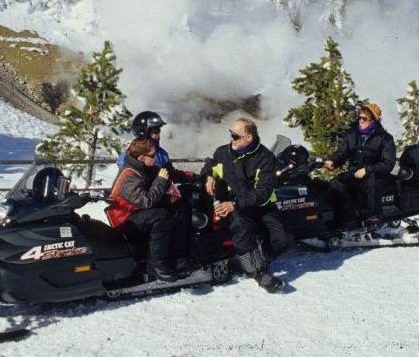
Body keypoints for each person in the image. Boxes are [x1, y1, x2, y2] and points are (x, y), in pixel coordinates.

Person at [200, 117, 294, 293]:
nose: (231, 139)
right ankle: (258, 272)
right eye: (230, 134)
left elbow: (263, 192)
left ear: (248, 137)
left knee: (285, 239)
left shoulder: (266, 158)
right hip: (235, 204)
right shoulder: (223, 153)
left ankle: (256, 257)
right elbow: (211, 166)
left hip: (262, 205)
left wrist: (235, 204)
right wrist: (209, 176)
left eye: (235, 136)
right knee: (241, 226)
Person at [108, 137, 189, 282]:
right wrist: (161, 181)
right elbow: (147, 202)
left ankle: (179, 257)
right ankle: (155, 265)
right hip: (125, 221)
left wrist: (194, 177)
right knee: (161, 216)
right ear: (141, 157)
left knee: (178, 206)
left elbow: (170, 174)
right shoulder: (129, 175)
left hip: (138, 213)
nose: (156, 158)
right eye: (153, 156)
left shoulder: (145, 167)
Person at [324, 102, 396, 225]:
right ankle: (350, 217)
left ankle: (375, 216)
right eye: (359, 118)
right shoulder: (351, 135)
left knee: (372, 181)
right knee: (336, 183)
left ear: (374, 120)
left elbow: (388, 163)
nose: (360, 121)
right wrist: (333, 161)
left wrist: (367, 170)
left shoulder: (385, 138)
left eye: (364, 118)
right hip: (355, 173)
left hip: (375, 174)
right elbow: (342, 152)